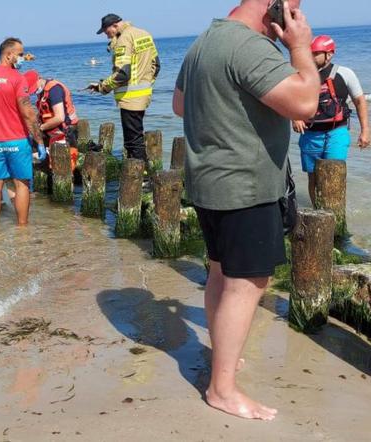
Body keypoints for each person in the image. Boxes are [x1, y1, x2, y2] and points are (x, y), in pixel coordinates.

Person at [172, 0, 319, 420]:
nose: (296, 15)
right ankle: (222, 390)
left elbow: (181, 105)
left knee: (222, 273)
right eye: (292, 6)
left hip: (209, 180)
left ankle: (222, 364)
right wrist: (300, 47)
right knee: (248, 283)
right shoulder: (248, 46)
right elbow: (306, 104)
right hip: (245, 185)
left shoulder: (205, 41)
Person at [0, 37, 46, 229]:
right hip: (17, 140)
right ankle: (22, 228)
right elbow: (28, 113)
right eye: (20, 54)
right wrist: (39, 142)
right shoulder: (17, 78)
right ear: (9, 55)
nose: (23, 57)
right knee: (21, 184)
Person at [293, 35, 369, 205]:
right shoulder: (302, 75)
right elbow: (290, 99)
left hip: (337, 132)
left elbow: (359, 101)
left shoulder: (345, 73)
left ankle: (335, 217)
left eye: (315, 54)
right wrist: (295, 117)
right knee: (313, 178)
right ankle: (318, 214)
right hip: (310, 134)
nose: (311, 57)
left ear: (329, 54)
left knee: (333, 175)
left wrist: (365, 130)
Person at [87, 14, 160, 160]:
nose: (108, 37)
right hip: (144, 95)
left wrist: (102, 87)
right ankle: (144, 174)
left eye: (107, 33)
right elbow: (156, 65)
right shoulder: (144, 34)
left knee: (132, 142)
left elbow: (122, 74)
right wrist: (146, 84)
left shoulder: (123, 39)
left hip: (130, 98)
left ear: (115, 25)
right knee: (137, 137)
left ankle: (142, 177)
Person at [24, 70, 80, 171]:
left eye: (34, 88)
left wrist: (40, 128)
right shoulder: (42, 92)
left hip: (66, 130)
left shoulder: (54, 90)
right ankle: (42, 170)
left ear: (39, 79)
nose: (34, 91)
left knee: (64, 168)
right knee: (34, 144)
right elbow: (44, 111)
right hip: (52, 129)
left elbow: (59, 117)